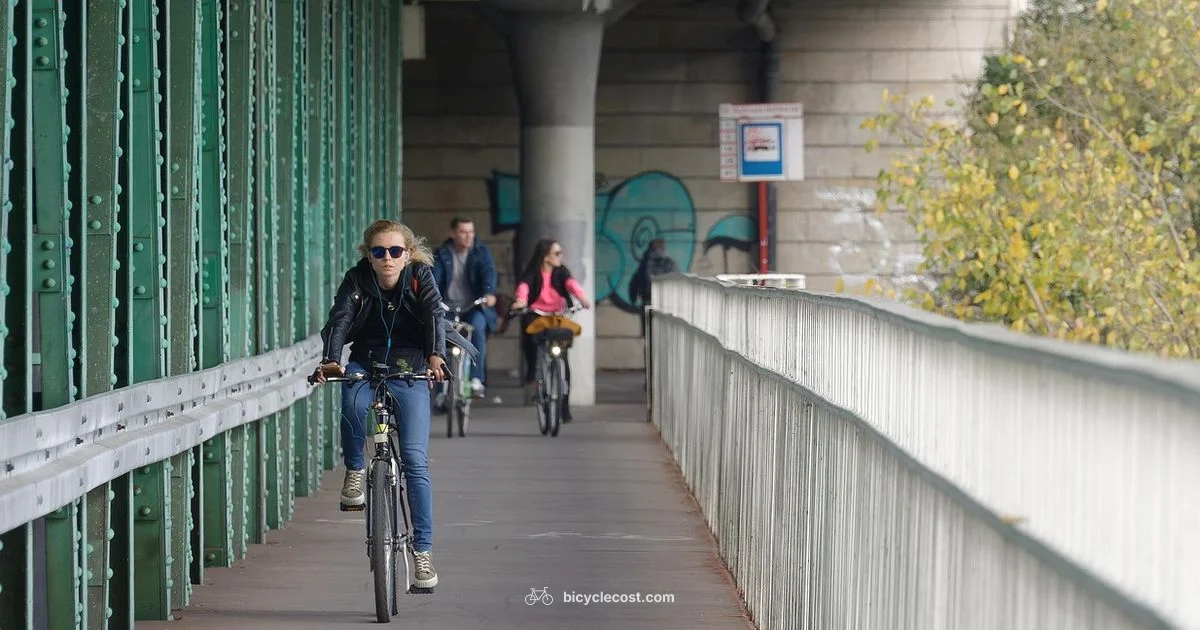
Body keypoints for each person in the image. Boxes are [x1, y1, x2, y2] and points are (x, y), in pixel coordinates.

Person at [312, 219, 452, 590]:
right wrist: (331, 358)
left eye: (395, 251)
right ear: (368, 256)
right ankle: (356, 471)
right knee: (354, 403)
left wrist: (436, 357)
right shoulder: (357, 279)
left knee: (415, 461)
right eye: (379, 252)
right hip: (366, 361)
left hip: (411, 365)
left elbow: (435, 314)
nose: (387, 259)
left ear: (407, 254)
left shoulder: (421, 277)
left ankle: (422, 554)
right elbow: (339, 318)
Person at [509, 239, 592, 421]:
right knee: (530, 335)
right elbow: (524, 288)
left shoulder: (561, 271)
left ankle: (564, 406)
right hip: (537, 314)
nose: (560, 256)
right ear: (545, 256)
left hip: (557, 315)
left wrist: (582, 298)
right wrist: (521, 301)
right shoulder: (532, 273)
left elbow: (572, 285)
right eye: (557, 253)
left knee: (563, 358)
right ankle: (533, 371)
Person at [431, 217, 498, 397]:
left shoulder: (481, 252)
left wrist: (489, 293)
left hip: (472, 307)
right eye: (463, 232)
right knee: (438, 336)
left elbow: (488, 272)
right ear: (453, 234)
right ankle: (440, 388)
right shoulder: (442, 253)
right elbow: (434, 279)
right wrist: (431, 297)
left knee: (477, 329)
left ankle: (476, 379)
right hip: (446, 308)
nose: (468, 236)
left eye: (471, 232)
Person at [627, 238, 679, 337]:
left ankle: (649, 351)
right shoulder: (670, 263)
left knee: (648, 337)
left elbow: (634, 283)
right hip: (665, 305)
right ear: (663, 248)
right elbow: (678, 283)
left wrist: (633, 298)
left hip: (647, 303)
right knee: (664, 336)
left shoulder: (644, 264)